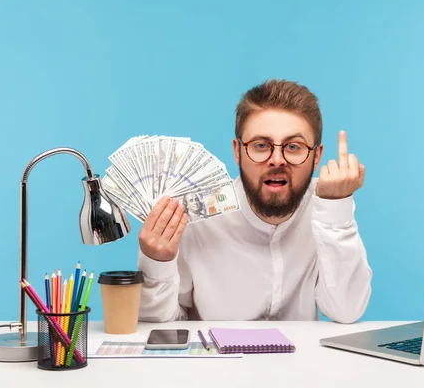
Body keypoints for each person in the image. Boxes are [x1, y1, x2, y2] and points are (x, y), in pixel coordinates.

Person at [137, 79, 372, 323]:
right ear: (237, 151)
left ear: (316, 157)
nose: (277, 159)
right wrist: (157, 263)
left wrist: (336, 210)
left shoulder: (325, 207)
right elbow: (161, 327)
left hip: (301, 361)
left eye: (294, 146)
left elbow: (346, 311)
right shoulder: (195, 215)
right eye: (261, 145)